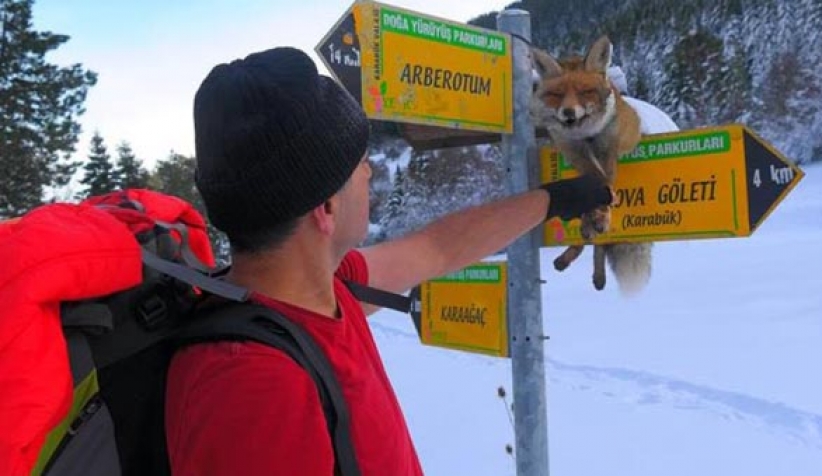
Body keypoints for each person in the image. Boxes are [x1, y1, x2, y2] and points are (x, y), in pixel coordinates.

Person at [164, 46, 613, 475]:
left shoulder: (326, 290)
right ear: (326, 209)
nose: (370, 171)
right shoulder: (254, 387)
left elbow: (437, 247)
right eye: (360, 162)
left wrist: (555, 199)